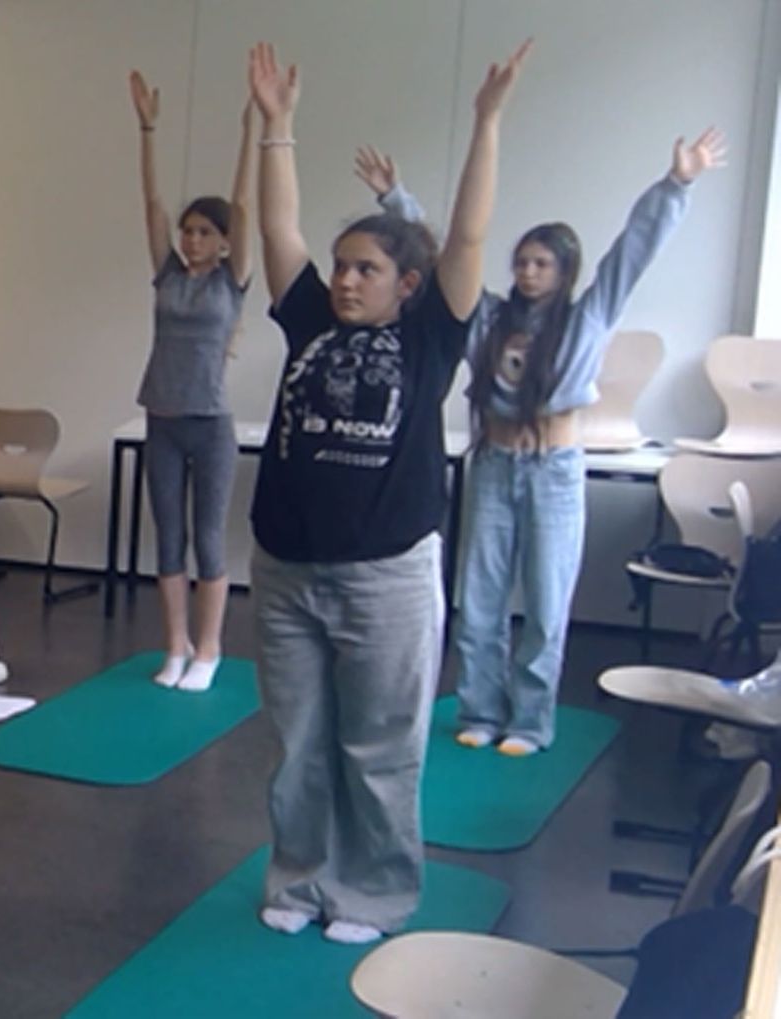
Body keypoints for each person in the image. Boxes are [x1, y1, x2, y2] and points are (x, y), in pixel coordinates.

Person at [246, 38, 526, 943]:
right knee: (296, 751)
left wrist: (486, 122)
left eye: (365, 268)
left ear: (407, 284)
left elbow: (471, 236)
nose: (345, 278)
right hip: (287, 569)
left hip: (387, 576)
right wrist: (279, 131)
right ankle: (295, 882)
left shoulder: (432, 335)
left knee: (378, 753)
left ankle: (371, 895)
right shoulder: (307, 322)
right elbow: (278, 234)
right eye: (342, 266)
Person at [355, 130, 727, 755]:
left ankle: (529, 721)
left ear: (564, 271)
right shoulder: (490, 317)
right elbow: (451, 259)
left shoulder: (589, 317)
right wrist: (398, 201)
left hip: (554, 470)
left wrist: (676, 184)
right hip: (495, 465)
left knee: (548, 603)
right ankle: (479, 708)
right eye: (522, 262)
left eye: (542, 264)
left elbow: (634, 250)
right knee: (479, 597)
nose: (528, 273)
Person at [127, 71, 256, 691]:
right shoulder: (169, 275)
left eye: (205, 232)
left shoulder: (229, 283)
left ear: (226, 243)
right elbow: (150, 207)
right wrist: (147, 129)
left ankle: (209, 649)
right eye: (189, 231)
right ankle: (173, 647)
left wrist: (250, 131)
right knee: (168, 538)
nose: (192, 238)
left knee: (209, 539)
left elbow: (247, 206)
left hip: (210, 423)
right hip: (162, 417)